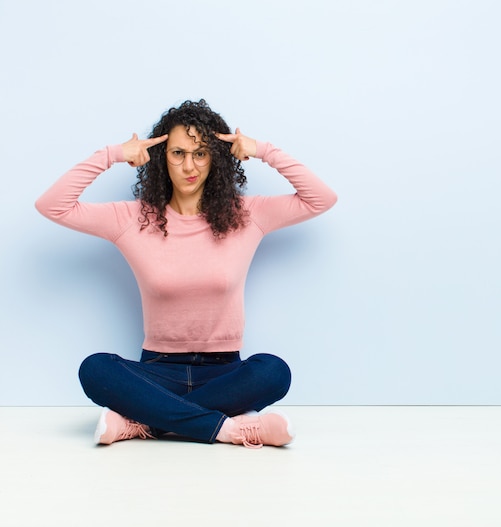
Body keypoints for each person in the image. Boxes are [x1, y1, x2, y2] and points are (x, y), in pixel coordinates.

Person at [35, 99, 337, 448]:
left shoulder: (247, 214)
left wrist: (263, 150)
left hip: (226, 372)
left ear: (216, 158)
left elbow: (321, 198)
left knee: (273, 372)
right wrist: (113, 154)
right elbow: (52, 205)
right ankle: (229, 429)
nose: (189, 166)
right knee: (95, 369)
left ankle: (144, 423)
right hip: (157, 371)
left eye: (201, 153)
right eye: (178, 153)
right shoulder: (133, 218)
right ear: (162, 158)